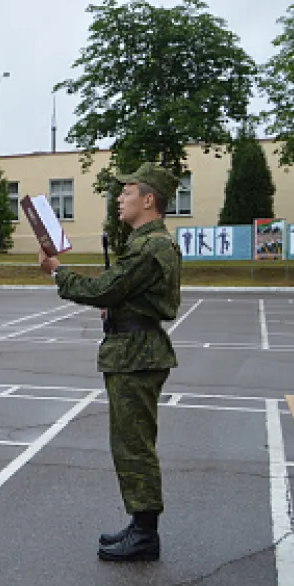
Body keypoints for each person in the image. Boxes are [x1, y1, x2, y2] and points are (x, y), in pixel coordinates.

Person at [38, 162, 182, 563]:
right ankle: (140, 524)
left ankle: (146, 535)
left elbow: (105, 288)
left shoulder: (150, 246)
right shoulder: (149, 243)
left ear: (149, 199)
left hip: (136, 354)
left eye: (127, 192)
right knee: (130, 443)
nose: (120, 198)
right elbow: (128, 294)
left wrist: (57, 271)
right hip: (134, 349)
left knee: (134, 446)